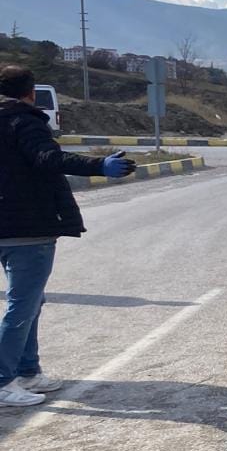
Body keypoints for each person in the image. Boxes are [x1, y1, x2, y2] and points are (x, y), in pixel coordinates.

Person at [0, 64, 134, 407]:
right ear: (31, 93)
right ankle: (3, 381)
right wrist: (99, 166)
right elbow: (48, 158)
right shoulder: (24, 121)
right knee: (23, 304)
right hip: (27, 227)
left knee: (31, 302)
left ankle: (28, 370)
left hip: (8, 225)